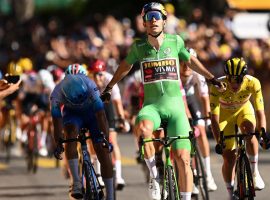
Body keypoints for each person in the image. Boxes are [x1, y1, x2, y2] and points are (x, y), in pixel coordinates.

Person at [100, 2, 224, 200]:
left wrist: (211, 78)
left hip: (176, 109)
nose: (154, 20)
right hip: (152, 107)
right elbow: (124, 67)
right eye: (149, 17)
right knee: (142, 126)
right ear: (144, 23)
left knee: (183, 158)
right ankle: (155, 177)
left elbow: (191, 61)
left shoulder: (176, 41)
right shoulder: (139, 47)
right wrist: (108, 87)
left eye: (158, 16)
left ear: (165, 21)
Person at [51, 64, 114, 200]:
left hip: (92, 115)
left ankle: (110, 194)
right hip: (72, 116)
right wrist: (58, 142)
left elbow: (101, 116)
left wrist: (105, 139)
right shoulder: (56, 93)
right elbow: (56, 121)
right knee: (70, 134)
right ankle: (77, 182)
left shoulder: (91, 86)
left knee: (102, 150)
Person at [210, 57, 267, 200]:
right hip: (224, 115)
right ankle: (230, 194)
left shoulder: (253, 82)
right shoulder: (217, 85)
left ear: (244, 77)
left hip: (243, 109)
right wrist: (218, 141)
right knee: (229, 157)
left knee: (250, 131)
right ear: (227, 77)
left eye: (239, 80)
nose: (234, 84)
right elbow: (214, 119)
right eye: (231, 80)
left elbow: (260, 112)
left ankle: (254, 173)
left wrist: (263, 132)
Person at [180, 48, 217, 192]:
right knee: (185, 135)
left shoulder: (196, 73)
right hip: (177, 101)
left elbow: (204, 97)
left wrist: (208, 118)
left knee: (200, 131)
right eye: (182, 62)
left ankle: (208, 175)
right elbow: (182, 106)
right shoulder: (174, 72)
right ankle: (190, 172)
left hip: (190, 100)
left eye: (189, 63)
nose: (186, 67)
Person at [89, 60, 127, 190]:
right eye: (95, 74)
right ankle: (98, 173)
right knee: (93, 138)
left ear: (104, 73)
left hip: (107, 107)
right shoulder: (89, 82)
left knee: (112, 139)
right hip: (93, 108)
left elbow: (117, 102)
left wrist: (121, 118)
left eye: (100, 74)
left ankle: (119, 177)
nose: (98, 77)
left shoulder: (110, 80)